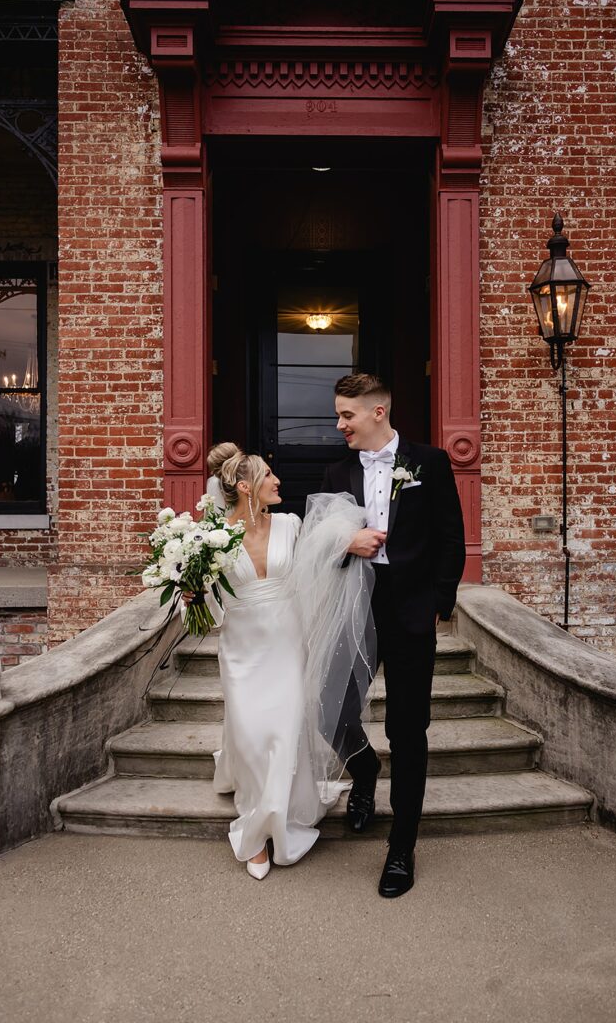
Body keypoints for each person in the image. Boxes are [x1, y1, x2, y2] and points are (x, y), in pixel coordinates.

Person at [321, 373, 466, 898]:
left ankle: (401, 847)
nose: (339, 425)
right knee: (328, 711)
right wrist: (346, 541)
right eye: (339, 415)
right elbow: (320, 544)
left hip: (410, 614)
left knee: (408, 732)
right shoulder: (337, 469)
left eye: (347, 415)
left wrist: (438, 604)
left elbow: (452, 537)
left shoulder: (430, 462)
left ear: (378, 412)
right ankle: (363, 774)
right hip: (354, 609)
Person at [203, 443, 374, 880]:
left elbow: (318, 559)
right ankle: (257, 818)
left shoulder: (291, 524)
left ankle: (267, 826)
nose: (279, 482)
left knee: (282, 731)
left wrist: (346, 540)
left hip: (286, 641)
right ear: (245, 487)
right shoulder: (210, 538)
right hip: (242, 647)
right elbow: (205, 606)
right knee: (252, 732)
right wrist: (190, 595)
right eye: (267, 477)